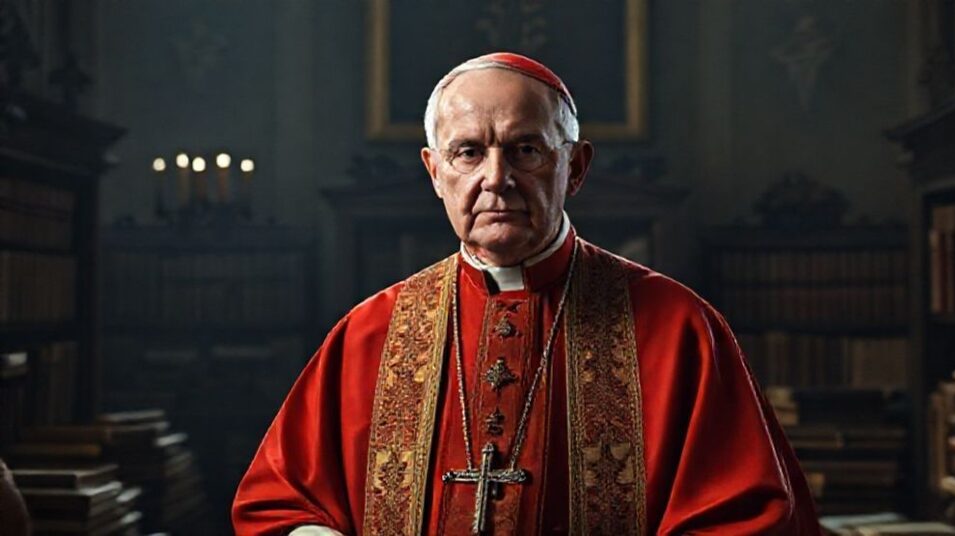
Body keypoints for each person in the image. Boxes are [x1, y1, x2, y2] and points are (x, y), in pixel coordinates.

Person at [233, 52, 820, 535]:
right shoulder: (371, 332)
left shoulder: (677, 326)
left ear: (576, 167)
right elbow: (279, 508)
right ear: (435, 172)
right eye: (468, 152)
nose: (496, 178)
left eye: (525, 150)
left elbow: (749, 520)